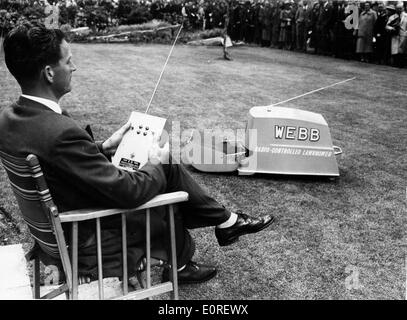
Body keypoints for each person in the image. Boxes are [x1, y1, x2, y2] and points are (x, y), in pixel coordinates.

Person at [0, 23, 275, 285]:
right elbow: (129, 192)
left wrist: (104, 147)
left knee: (164, 173)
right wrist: (155, 161)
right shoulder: (60, 131)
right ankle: (218, 229)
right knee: (165, 189)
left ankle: (222, 225)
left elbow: (59, 161)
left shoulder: (10, 119)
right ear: (49, 73)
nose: (74, 67)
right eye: (68, 60)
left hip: (60, 225)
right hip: (88, 237)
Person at [386, 2, 407, 68]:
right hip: (395, 35)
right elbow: (387, 26)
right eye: (398, 8)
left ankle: (401, 64)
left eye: (400, 8)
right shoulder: (392, 17)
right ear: (396, 9)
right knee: (395, 50)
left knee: (402, 50)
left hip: (403, 34)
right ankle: (395, 63)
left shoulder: (406, 16)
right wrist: (391, 28)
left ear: (403, 8)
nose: (399, 10)